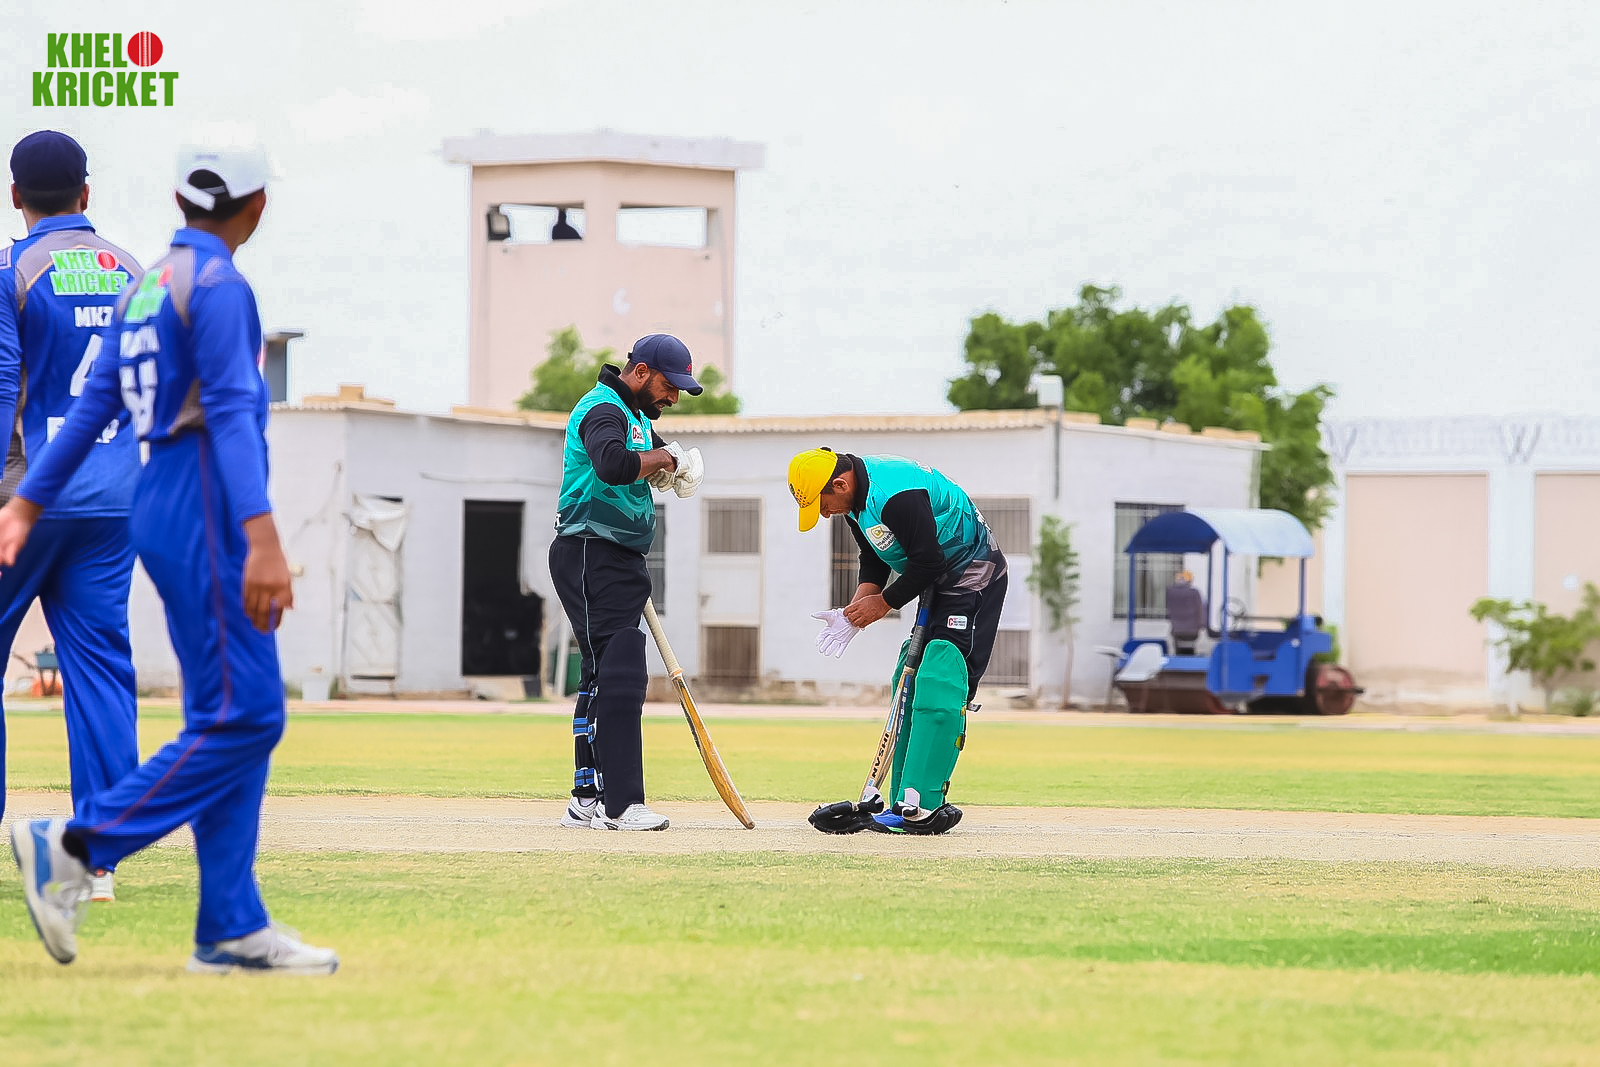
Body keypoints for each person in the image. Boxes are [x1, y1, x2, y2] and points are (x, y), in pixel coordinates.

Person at [1, 142, 338, 975]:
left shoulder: (151, 282)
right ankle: (77, 843)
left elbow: (92, 406)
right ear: (256, 207)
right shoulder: (216, 285)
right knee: (249, 716)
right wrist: (263, 537)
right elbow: (228, 413)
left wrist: (28, 501)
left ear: (181, 202)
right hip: (197, 498)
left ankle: (229, 925)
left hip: (152, 498)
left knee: (227, 715)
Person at [0, 131, 142, 904]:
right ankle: (100, 861)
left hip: (25, 499)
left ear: (14, 196)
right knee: (100, 675)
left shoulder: (11, 272)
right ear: (86, 193)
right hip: (113, 500)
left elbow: (2, 390)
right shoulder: (134, 272)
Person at [789, 449, 1007, 835]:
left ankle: (924, 804)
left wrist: (882, 604)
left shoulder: (895, 495)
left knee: (940, 675)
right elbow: (873, 556)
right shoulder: (855, 503)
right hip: (936, 580)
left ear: (839, 484)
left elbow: (928, 562)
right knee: (907, 676)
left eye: (822, 505)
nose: (824, 514)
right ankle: (900, 802)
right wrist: (857, 608)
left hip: (973, 574)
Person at [551, 333, 704, 830]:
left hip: (615, 555)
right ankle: (620, 804)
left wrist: (672, 466)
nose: (673, 397)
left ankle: (586, 798)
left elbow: (653, 459)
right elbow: (613, 464)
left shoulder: (636, 417)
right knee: (621, 670)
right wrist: (666, 461)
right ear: (640, 372)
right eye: (668, 385)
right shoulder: (603, 408)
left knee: (601, 673)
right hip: (590, 549)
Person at [1165, 570, 1205, 655]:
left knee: (1178, 650)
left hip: (1176, 629)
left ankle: (1178, 660)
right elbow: (1200, 609)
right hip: (1192, 630)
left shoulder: (1170, 591)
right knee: (1190, 650)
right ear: (1189, 581)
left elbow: (1168, 609)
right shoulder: (1194, 593)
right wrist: (1201, 625)